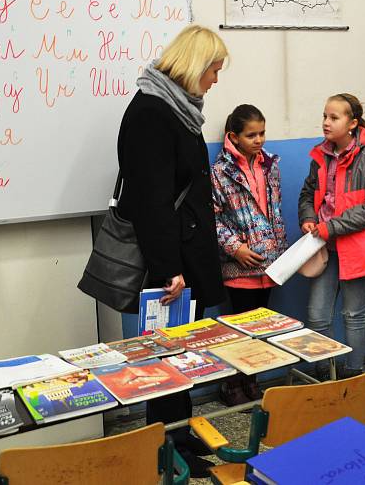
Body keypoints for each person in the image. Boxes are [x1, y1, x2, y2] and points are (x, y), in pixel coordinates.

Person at [116, 24, 228, 478]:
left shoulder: (177, 109)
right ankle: (167, 447)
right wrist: (168, 270)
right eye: (215, 70)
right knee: (165, 361)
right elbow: (151, 200)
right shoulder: (151, 112)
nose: (216, 80)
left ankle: (179, 438)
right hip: (170, 264)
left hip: (185, 253)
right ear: (194, 65)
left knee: (180, 358)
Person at [298, 93, 365, 379]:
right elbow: (307, 194)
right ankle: (325, 376)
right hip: (324, 246)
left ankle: (354, 378)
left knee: (354, 316)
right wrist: (308, 218)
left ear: (352, 123)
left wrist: (332, 226)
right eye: (325, 116)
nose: (326, 123)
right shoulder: (320, 155)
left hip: (359, 248)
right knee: (317, 316)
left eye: (334, 117)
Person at [211, 104, 287, 405]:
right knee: (238, 331)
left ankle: (251, 382)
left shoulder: (270, 166)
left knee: (260, 329)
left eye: (262, 133)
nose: (259, 140)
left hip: (268, 266)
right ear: (234, 136)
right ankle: (232, 385)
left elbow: (276, 211)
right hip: (239, 268)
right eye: (251, 135)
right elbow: (212, 220)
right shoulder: (220, 172)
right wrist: (235, 248)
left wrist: (279, 254)